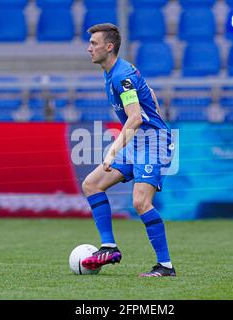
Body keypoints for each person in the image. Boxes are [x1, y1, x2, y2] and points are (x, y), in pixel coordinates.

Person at [81, 23, 176, 277]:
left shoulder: (121, 76)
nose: (89, 48)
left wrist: (112, 150)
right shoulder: (115, 70)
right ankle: (109, 247)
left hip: (152, 142)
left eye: (94, 43)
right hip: (137, 143)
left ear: (109, 47)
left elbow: (134, 119)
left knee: (140, 202)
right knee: (91, 184)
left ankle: (165, 266)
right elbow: (149, 93)